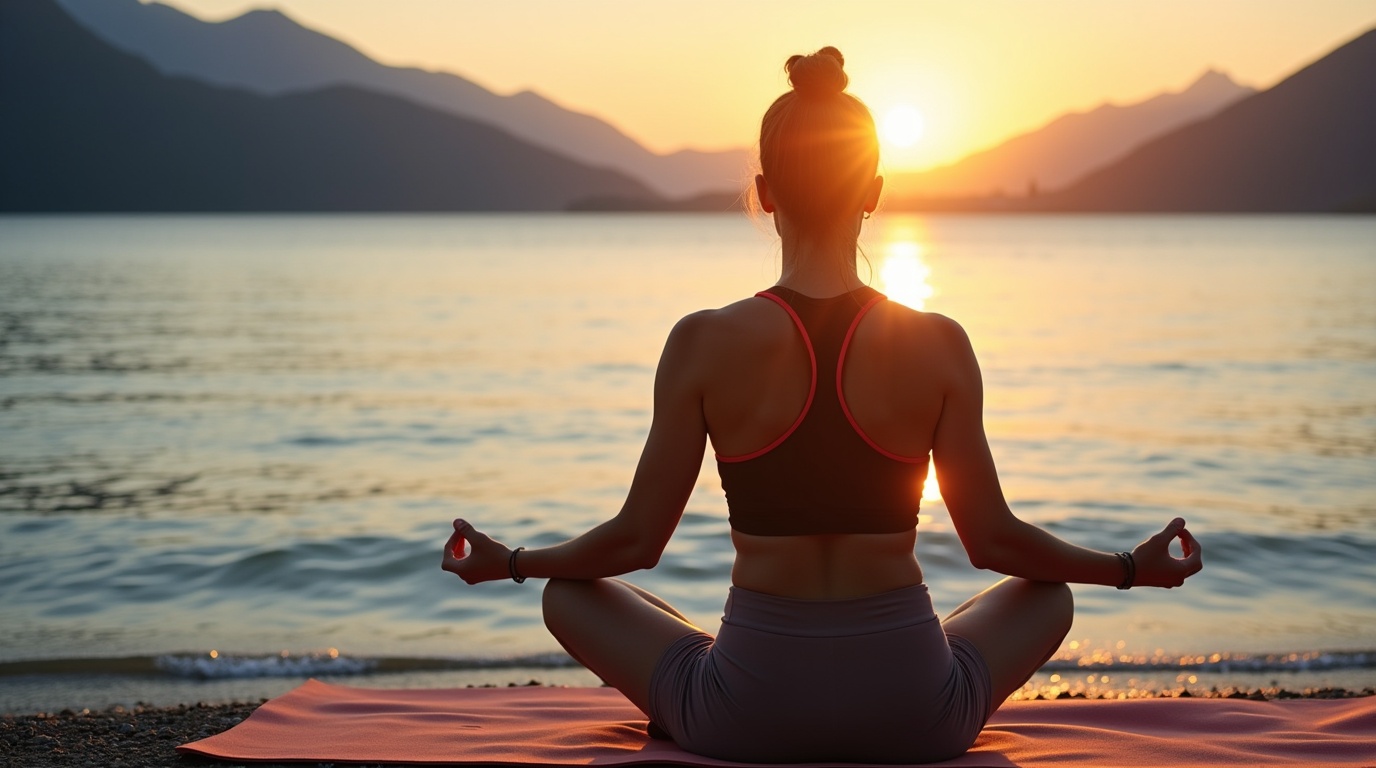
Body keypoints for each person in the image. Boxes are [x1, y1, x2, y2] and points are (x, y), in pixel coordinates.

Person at [441, 47, 1203, 763]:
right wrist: (1127, 568)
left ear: (765, 192)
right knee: (1049, 597)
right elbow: (993, 541)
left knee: (570, 596)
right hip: (916, 716)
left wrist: (513, 562)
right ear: (873, 192)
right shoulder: (938, 343)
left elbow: (635, 542)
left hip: (746, 718)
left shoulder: (701, 342)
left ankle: (716, 680)